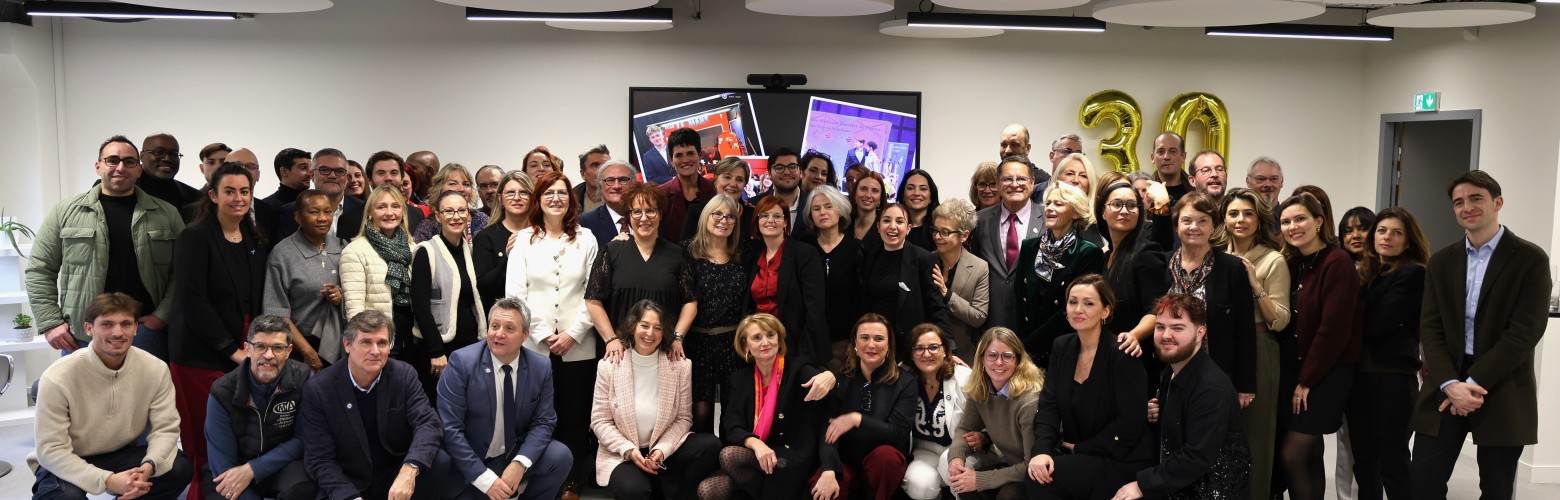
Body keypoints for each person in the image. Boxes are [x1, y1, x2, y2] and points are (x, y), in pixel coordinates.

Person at [1411, 171, 1550, 500]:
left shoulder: (1530, 259)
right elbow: (1430, 328)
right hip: (1446, 382)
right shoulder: (1442, 262)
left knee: (1497, 488)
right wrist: (1450, 383)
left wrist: (1472, 384)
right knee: (1422, 480)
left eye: (1476, 198)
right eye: (1459, 202)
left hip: (1501, 382)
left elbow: (1524, 332)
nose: (1466, 207)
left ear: (1497, 203)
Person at [27, 135, 183, 361]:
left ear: (139, 169)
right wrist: (50, 322)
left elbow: (182, 272)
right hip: (82, 335)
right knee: (79, 396)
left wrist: (162, 316)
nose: (121, 167)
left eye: (129, 162)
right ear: (98, 166)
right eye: (112, 160)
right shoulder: (65, 212)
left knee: (144, 396)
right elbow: (39, 269)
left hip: (145, 333)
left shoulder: (167, 214)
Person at [29, 292, 193, 500]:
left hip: (120, 451)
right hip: (67, 456)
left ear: (135, 328)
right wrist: (107, 480)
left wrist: (149, 466)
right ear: (88, 328)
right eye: (107, 324)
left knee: (178, 468)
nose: (118, 332)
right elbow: (51, 449)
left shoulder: (156, 369)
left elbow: (165, 428)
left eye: (126, 324)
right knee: (64, 497)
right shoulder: (57, 377)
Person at [171, 163, 272, 495]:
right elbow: (192, 300)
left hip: (244, 347)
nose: (238, 198)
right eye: (229, 191)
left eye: (244, 191)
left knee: (235, 434)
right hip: (201, 352)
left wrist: (251, 347)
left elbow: (253, 300)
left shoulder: (253, 237)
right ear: (213, 195)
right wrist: (232, 349)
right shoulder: (194, 237)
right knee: (204, 438)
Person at [504, 171, 599, 498]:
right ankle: (542, 477)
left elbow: (594, 292)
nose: (556, 198)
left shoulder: (586, 239)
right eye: (549, 193)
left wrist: (572, 332)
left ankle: (571, 479)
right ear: (538, 200)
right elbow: (516, 295)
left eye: (562, 193)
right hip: (535, 346)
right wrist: (544, 334)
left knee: (575, 414)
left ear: (571, 200)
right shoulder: (524, 240)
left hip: (580, 344)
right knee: (540, 415)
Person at [431, 297, 574, 499]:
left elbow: (544, 421)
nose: (499, 334)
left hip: (511, 453)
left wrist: (520, 462)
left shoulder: (540, 367)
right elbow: (449, 428)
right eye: (495, 326)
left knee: (560, 456)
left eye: (509, 328)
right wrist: (484, 479)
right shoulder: (461, 362)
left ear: (525, 335)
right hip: (472, 461)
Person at [1113, 294, 1252, 500]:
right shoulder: (1170, 372)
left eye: (1177, 328)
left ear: (1200, 333)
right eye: (1160, 327)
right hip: (1178, 480)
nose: (1166, 335)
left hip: (1208, 491)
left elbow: (1196, 457)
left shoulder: (1210, 388)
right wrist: (1159, 413)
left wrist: (1142, 485)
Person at [1026, 276, 1153, 500]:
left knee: (1042, 481)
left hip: (1120, 457)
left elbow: (1130, 423)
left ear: (1106, 311)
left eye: (1089, 303)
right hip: (1081, 454)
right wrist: (1041, 451)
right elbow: (1048, 406)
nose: (1078, 309)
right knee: (1037, 471)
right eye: (1073, 302)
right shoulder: (1061, 346)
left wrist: (1081, 449)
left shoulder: (1122, 353)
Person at [1276, 192, 1363, 500]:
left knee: (1293, 454)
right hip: (1299, 371)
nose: (1292, 227)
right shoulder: (1294, 261)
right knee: (1310, 454)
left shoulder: (1337, 262)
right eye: (1286, 221)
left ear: (1319, 221)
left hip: (1326, 374)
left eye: (1300, 219)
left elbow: (1333, 331)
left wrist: (1306, 381)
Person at [301, 310, 442, 499]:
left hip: (396, 473)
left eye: (382, 343)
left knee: (442, 462)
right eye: (366, 342)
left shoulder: (403, 374)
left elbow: (428, 423)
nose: (375, 351)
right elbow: (320, 458)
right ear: (347, 344)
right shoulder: (319, 389)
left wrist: (410, 468)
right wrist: (350, 497)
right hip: (348, 479)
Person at [590, 300, 722, 500]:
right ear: (633, 327)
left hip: (663, 449)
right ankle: (648, 484)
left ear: (664, 333)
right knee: (632, 490)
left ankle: (680, 495)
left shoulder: (680, 366)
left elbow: (684, 418)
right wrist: (629, 451)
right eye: (644, 325)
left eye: (657, 328)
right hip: (624, 453)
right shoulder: (609, 365)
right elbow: (599, 421)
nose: (650, 333)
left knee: (711, 446)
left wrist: (662, 449)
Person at [697, 314, 831, 500]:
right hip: (757, 457)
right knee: (707, 490)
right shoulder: (740, 379)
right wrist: (755, 443)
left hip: (789, 458)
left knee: (729, 456)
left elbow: (828, 389)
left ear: (779, 339)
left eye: (770, 335)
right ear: (746, 347)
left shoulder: (797, 368)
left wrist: (830, 378)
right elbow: (732, 426)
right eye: (756, 337)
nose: (765, 342)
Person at [1346, 207, 1428, 500]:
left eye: (1397, 232)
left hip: (1392, 379)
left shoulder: (1414, 273)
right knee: (1365, 461)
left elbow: (1377, 323)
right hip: (1360, 378)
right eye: (1381, 230)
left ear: (1409, 240)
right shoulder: (1370, 273)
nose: (1387, 237)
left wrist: (1347, 316)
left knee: (1393, 462)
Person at [1217, 187, 1292, 499]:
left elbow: (1281, 319)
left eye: (1248, 213)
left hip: (1260, 349)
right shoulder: (1215, 253)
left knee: (1256, 437)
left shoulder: (1273, 260)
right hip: (1221, 349)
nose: (1240, 219)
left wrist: (1255, 285)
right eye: (1233, 213)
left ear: (1260, 219)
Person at [202, 315, 317, 500]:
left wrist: (254, 469)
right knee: (225, 490)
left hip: (283, 466)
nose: (268, 355)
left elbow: (304, 439)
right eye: (260, 346)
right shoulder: (223, 391)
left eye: (277, 348)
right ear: (247, 349)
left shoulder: (303, 379)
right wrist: (245, 472)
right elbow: (222, 461)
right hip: (234, 468)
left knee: (304, 487)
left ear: (289, 351)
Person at [811, 314, 918, 500]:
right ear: (854, 343)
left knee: (887, 458)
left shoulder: (906, 382)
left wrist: (857, 420)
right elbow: (827, 432)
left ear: (889, 345)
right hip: (846, 460)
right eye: (865, 337)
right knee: (821, 487)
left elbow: (898, 434)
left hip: (881, 464)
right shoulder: (840, 380)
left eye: (879, 338)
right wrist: (828, 470)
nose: (871, 345)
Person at [586, 182, 696, 364]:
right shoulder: (611, 251)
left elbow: (690, 302)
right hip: (619, 353)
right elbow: (593, 300)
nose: (644, 218)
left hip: (665, 353)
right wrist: (611, 339)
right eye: (636, 211)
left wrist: (677, 337)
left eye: (651, 211)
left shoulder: (678, 255)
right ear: (628, 217)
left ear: (660, 214)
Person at [1164, 192, 1257, 397]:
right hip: (1168, 376)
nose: (1194, 227)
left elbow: (1245, 330)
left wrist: (1245, 386)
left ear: (1214, 225)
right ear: (1176, 224)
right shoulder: (1161, 264)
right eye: (1186, 220)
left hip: (1216, 377)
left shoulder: (1232, 268)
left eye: (1203, 221)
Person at [946, 327, 1043, 499]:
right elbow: (965, 428)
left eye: (1007, 356)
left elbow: (1031, 464)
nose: (999, 362)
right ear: (982, 359)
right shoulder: (980, 389)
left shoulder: (1028, 401)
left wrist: (979, 479)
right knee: (965, 489)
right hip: (1010, 466)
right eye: (992, 355)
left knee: (1008, 495)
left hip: (1036, 472)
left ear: (1018, 360)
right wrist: (956, 457)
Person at [410, 190, 488, 401]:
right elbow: (420, 305)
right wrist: (436, 352)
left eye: (462, 210)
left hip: (471, 345)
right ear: (438, 216)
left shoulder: (469, 251)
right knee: (442, 409)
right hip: (440, 350)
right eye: (449, 211)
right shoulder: (426, 251)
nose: (456, 216)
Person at [1015, 183, 1103, 368]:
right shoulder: (1029, 246)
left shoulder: (1087, 252)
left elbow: (1070, 309)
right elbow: (1019, 297)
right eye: (1048, 203)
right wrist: (1021, 345)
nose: (1050, 209)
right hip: (1025, 347)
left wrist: (1030, 345)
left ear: (1076, 212)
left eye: (1059, 204)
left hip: (1062, 347)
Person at [1093, 182, 1169, 389]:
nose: (1124, 211)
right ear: (1102, 212)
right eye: (1117, 204)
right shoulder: (1106, 256)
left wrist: (1133, 335)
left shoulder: (1146, 253)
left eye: (1131, 205)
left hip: (1136, 357)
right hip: (1108, 355)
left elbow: (1157, 310)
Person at [684, 195, 749, 433]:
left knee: (733, 413)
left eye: (730, 216)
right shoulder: (687, 253)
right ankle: (705, 466)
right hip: (697, 343)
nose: (724, 220)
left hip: (733, 345)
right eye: (718, 214)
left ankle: (729, 463)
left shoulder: (744, 255)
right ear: (706, 217)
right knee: (699, 413)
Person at [264, 189, 347, 371]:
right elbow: (276, 313)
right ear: (298, 218)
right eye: (314, 212)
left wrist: (340, 295)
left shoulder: (342, 246)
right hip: (302, 349)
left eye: (327, 212)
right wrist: (308, 352)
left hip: (341, 345)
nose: (323, 218)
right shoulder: (283, 254)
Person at [340, 185, 418, 372]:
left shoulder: (413, 248)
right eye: (381, 207)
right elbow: (355, 310)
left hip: (412, 340)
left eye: (395, 206)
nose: (389, 213)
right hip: (378, 344)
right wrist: (368, 345)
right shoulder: (355, 251)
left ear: (403, 211)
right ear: (369, 213)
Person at [745, 195, 830, 364]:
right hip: (761, 347)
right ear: (757, 221)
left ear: (785, 222)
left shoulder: (804, 253)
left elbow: (815, 309)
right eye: (764, 216)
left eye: (777, 216)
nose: (770, 220)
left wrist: (802, 357)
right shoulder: (753, 256)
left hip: (795, 346)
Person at [862, 203, 950, 346]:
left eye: (899, 221)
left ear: (908, 228)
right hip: (876, 342)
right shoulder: (870, 256)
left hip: (910, 343)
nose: (892, 226)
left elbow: (935, 305)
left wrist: (949, 345)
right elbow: (864, 302)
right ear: (878, 227)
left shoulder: (923, 258)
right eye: (886, 220)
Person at [973, 156, 1044, 332]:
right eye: (1007, 179)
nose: (1014, 184)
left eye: (1021, 178)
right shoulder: (980, 221)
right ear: (997, 183)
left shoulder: (1048, 219)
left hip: (1034, 323)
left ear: (1032, 182)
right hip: (990, 321)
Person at [901, 324, 972, 500]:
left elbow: (984, 422)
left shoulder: (964, 377)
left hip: (964, 449)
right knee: (919, 485)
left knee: (952, 469)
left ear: (945, 350)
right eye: (919, 348)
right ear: (911, 353)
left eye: (934, 347)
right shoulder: (903, 377)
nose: (926, 354)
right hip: (926, 450)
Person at [803, 185, 865, 372]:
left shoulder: (857, 249)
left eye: (829, 206)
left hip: (845, 342)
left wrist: (855, 339)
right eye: (816, 208)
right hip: (811, 342)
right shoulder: (803, 250)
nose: (823, 212)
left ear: (840, 210)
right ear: (810, 215)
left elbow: (862, 298)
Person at [929, 199, 989, 362]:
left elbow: (979, 316)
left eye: (945, 232)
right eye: (935, 230)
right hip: (926, 353)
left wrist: (946, 294)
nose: (937, 237)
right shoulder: (926, 261)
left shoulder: (979, 267)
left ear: (964, 236)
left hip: (963, 355)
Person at [274, 148, 367, 242]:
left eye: (339, 171)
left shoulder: (364, 210)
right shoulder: (291, 211)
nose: (332, 176)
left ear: (346, 177)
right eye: (324, 170)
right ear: (312, 175)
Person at [473, 171, 534, 313]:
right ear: (500, 198)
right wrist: (508, 259)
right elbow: (482, 288)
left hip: (541, 318)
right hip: (502, 319)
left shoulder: (542, 234)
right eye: (510, 193)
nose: (517, 198)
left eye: (524, 193)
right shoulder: (485, 237)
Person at [658, 128, 715, 243]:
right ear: (671, 160)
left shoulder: (715, 190)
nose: (685, 160)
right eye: (679, 155)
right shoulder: (660, 195)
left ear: (699, 155)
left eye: (690, 153)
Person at [413, 163, 490, 243]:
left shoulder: (482, 219)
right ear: (439, 188)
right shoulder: (428, 226)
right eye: (453, 184)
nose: (461, 189)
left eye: (466, 184)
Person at [681, 157, 752, 240]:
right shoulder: (697, 211)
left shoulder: (751, 215)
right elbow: (685, 248)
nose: (733, 184)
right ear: (715, 181)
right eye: (727, 177)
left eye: (739, 180)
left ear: (744, 185)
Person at [752, 148, 812, 240]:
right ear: (769, 174)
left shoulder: (814, 205)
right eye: (779, 168)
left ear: (800, 172)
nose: (787, 172)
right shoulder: (753, 206)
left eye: (792, 167)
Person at [581, 159, 640, 250]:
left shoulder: (649, 219)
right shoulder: (585, 222)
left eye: (623, 180)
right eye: (610, 180)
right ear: (600, 186)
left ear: (634, 184)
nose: (616, 186)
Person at [1050, 153, 1106, 248]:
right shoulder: (1045, 215)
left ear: (1090, 183)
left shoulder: (1101, 218)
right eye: (1070, 174)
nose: (1076, 180)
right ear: (1058, 178)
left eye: (1083, 176)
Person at [135, 133, 203, 209]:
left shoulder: (196, 198)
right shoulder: (124, 190)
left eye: (174, 154)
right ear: (142, 156)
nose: (167, 159)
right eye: (159, 153)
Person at [364, 150, 426, 230]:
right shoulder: (352, 217)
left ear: (401, 178)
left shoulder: (417, 214)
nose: (388, 178)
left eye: (394, 173)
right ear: (369, 179)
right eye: (381, 173)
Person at [897, 169, 941, 252]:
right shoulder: (894, 228)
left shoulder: (940, 229)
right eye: (910, 188)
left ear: (931, 196)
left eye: (923, 189)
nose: (916, 193)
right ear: (903, 195)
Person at [998, 124, 1050, 189]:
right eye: (1004, 145)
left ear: (1027, 148)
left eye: (1014, 145)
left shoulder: (1044, 183)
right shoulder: (993, 179)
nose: (1007, 151)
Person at [849, 170, 887, 248]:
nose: (868, 195)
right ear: (855, 194)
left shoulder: (886, 230)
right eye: (863, 189)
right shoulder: (843, 224)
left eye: (875, 191)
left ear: (880, 198)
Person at [575, 144, 610, 213]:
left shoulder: (625, 200)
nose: (601, 170)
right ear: (583, 174)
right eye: (595, 166)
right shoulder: (571, 199)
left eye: (606, 165)